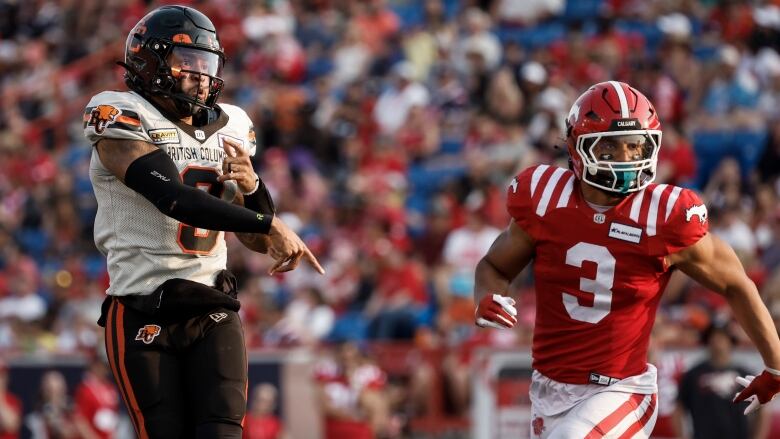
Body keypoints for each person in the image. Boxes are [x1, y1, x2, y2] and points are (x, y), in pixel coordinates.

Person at [474, 81, 780, 438]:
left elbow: (735, 283)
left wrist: (775, 367)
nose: (627, 158)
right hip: (549, 387)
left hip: (622, 390)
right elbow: (494, 266)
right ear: (577, 147)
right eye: (611, 147)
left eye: (636, 146)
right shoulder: (545, 200)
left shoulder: (663, 216)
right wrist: (485, 296)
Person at [82, 5, 324, 439]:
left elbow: (253, 238)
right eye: (186, 63)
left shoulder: (233, 126)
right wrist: (268, 223)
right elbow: (173, 198)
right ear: (149, 62)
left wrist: (253, 192)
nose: (200, 76)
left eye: (205, 65)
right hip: (141, 305)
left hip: (210, 302)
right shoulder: (117, 113)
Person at [673, 320, 769, 439]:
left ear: (731, 341)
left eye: (722, 337)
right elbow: (678, 408)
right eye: (713, 337)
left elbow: (762, 409)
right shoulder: (693, 375)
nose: (717, 342)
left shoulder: (746, 375)